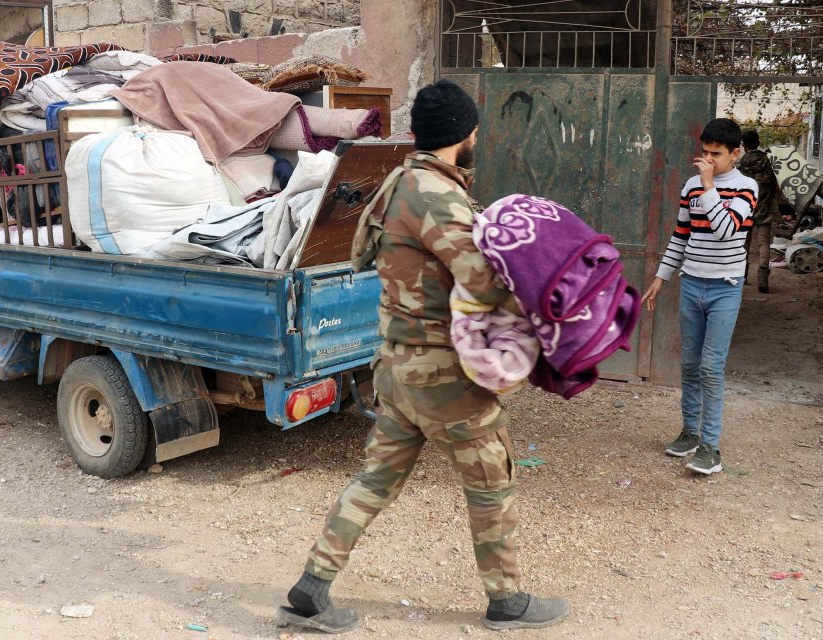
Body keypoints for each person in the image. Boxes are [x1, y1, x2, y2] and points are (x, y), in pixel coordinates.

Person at [277, 80, 570, 633]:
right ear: (465, 134)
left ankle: (311, 588)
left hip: (398, 367)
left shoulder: (398, 182)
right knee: (490, 479)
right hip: (441, 375)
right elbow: (481, 280)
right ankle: (506, 600)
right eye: (476, 131)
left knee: (375, 480)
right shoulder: (437, 194)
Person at [640, 118, 757, 476]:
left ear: (736, 153)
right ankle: (690, 432)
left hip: (726, 285)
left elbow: (725, 232)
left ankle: (710, 447)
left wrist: (709, 187)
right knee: (690, 365)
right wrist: (661, 277)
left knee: (711, 366)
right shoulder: (692, 186)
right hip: (692, 283)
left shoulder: (746, 187)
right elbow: (681, 236)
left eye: (716, 154)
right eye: (704, 152)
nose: (707, 160)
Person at [736, 129, 787, 293]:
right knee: (764, 244)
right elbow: (778, 186)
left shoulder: (742, 164)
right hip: (765, 210)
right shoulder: (769, 162)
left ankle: (742, 276)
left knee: (744, 244)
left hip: (745, 210)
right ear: (758, 143)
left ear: (744, 145)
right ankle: (762, 280)